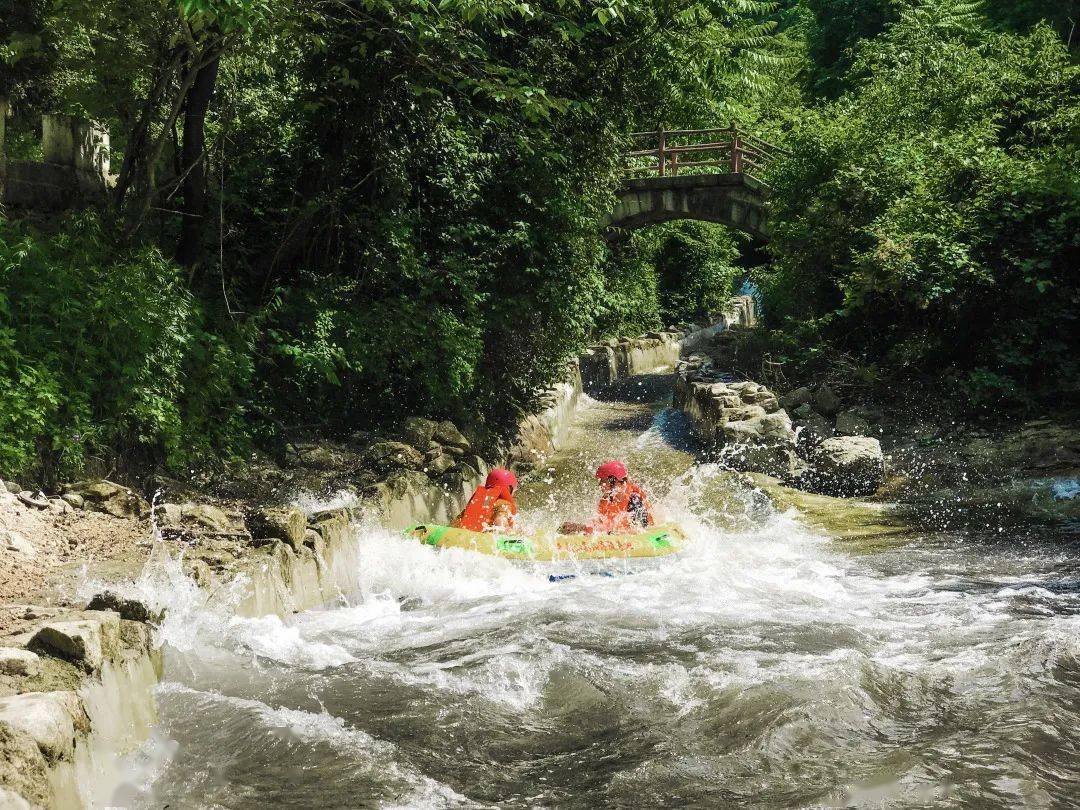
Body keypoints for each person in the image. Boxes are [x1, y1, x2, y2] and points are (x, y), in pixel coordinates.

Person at [560, 460, 654, 535]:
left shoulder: (634, 499)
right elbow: (602, 525)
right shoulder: (606, 500)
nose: (600, 484)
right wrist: (580, 528)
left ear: (615, 481)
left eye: (603, 480)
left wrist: (612, 533)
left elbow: (643, 530)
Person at [452, 468, 518, 532]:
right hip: (481, 539)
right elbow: (501, 524)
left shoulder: (478, 501)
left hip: (460, 533)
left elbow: (456, 522)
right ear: (509, 488)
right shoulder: (503, 504)